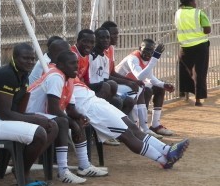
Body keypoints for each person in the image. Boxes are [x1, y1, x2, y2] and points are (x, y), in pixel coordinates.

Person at [62, 51, 191, 170]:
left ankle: (167, 150)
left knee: (132, 127)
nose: (76, 65)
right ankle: (163, 159)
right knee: (126, 134)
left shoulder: (69, 72)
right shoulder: (58, 76)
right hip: (90, 109)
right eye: (72, 63)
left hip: (96, 101)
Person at [0, 42, 59, 186]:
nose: (30, 62)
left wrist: (37, 117)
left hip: (0, 121)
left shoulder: (23, 75)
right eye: (25, 58)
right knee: (39, 132)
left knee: (52, 126)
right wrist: (35, 119)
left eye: (32, 59)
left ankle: (21, 167)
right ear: (14, 58)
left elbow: (18, 111)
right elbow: (5, 113)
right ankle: (23, 174)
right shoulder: (7, 75)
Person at [26, 40, 108, 183]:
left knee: (75, 120)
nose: (76, 67)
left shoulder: (69, 78)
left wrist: (80, 117)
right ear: (61, 65)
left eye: (77, 63)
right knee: (63, 122)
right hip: (29, 114)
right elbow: (53, 108)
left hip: (44, 114)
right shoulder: (55, 76)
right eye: (72, 64)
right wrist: (71, 122)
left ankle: (84, 165)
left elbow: (70, 108)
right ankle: (63, 171)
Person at [115, 39, 176, 136]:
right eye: (146, 50)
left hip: (131, 85)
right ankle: (142, 127)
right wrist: (154, 58)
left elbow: (150, 77)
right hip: (119, 86)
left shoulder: (148, 59)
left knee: (159, 88)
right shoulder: (133, 58)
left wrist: (163, 85)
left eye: (151, 51)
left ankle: (155, 125)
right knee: (145, 90)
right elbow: (140, 76)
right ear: (140, 48)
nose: (148, 53)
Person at [175, 0, 211, 106]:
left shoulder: (178, 13)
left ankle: (183, 92)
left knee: (185, 70)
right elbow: (207, 29)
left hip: (185, 46)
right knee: (200, 72)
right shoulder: (198, 13)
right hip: (200, 45)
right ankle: (198, 99)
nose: (196, 3)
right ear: (191, 2)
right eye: (194, 1)